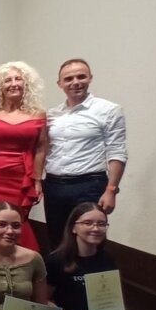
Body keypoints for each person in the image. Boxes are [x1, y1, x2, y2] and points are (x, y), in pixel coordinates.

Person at [44, 59, 127, 249]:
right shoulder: (52, 114)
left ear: (90, 78)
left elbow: (117, 152)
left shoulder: (109, 110)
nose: (75, 82)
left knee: (89, 241)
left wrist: (111, 190)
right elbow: (44, 148)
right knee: (57, 240)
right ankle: (60, 271)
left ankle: (89, 270)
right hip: (54, 186)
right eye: (68, 79)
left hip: (89, 185)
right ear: (59, 84)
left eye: (81, 76)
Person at [0, 61, 47, 251]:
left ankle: (19, 261)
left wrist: (37, 181)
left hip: (22, 176)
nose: (13, 84)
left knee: (17, 218)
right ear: (0, 86)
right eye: (8, 80)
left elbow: (41, 149)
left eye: (18, 79)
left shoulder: (38, 114)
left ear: (26, 84)